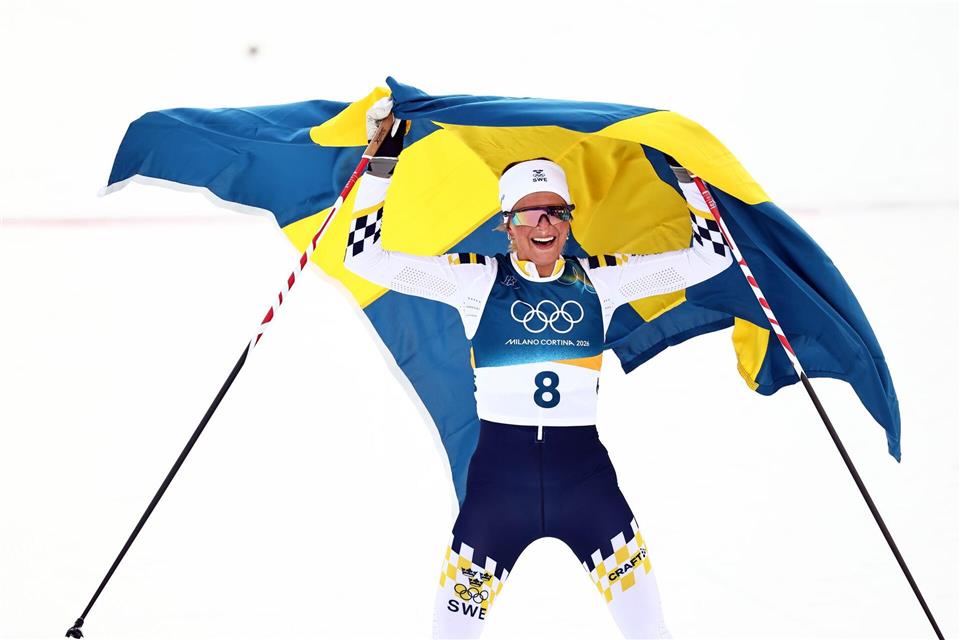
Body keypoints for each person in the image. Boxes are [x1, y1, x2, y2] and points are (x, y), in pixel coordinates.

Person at [344, 98, 733, 639]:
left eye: (557, 211)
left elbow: (711, 256)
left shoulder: (601, 278)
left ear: (570, 221)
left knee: (650, 632)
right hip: (498, 492)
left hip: (587, 488)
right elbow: (364, 259)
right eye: (530, 212)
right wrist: (381, 161)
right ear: (508, 224)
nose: (545, 224)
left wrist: (688, 175)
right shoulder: (475, 279)